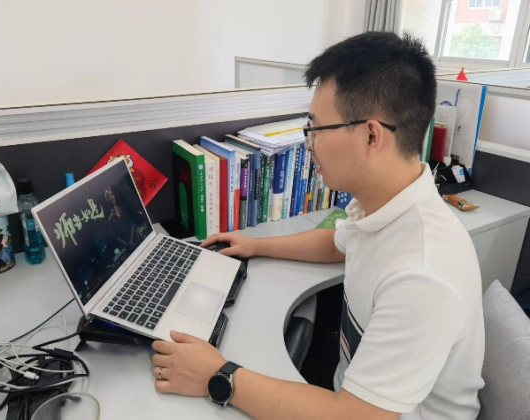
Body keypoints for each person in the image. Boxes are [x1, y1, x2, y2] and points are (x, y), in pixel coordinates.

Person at [151, 32, 484, 420]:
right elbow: (337, 243)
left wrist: (216, 375)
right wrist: (255, 245)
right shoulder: (385, 204)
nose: (309, 145)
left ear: (371, 135)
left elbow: (357, 417)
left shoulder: (423, 273)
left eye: (316, 129)